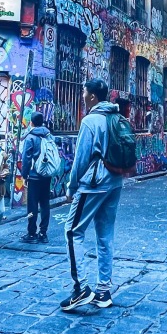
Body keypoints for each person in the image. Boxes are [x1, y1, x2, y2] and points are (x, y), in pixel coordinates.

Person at [61, 78, 124, 313]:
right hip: (115, 182)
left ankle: (81, 288)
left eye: (84, 92)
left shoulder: (90, 121)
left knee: (72, 231)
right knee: (105, 236)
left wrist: (71, 187)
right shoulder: (117, 117)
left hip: (94, 183)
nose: (82, 95)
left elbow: (80, 159)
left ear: (93, 96)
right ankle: (104, 292)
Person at [20, 112, 55, 244]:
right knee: (45, 204)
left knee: (32, 205)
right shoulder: (48, 135)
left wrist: (24, 175)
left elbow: (26, 158)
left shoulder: (30, 137)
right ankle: (43, 233)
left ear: (31, 122)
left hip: (34, 176)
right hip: (47, 175)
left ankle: (31, 233)